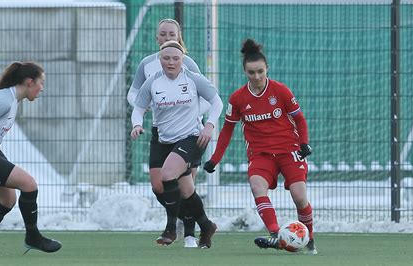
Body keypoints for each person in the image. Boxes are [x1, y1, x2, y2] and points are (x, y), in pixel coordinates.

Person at [203, 39, 317, 255]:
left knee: (299, 196)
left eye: (260, 72)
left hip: (289, 150)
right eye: (251, 73)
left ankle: (309, 238)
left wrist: (304, 143)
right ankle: (275, 234)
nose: (256, 77)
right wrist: (215, 159)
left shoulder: (281, 91)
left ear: (267, 69)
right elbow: (227, 130)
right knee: (257, 185)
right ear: (244, 71)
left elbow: (299, 119)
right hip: (261, 154)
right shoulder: (237, 98)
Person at [131, 40, 222, 249]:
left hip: (191, 138)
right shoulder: (153, 81)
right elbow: (138, 107)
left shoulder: (193, 79)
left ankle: (171, 228)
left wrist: (209, 126)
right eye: (166, 58)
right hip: (164, 141)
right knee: (186, 190)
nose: (171, 62)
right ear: (159, 59)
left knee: (167, 174)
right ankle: (206, 225)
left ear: (183, 59)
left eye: (175, 58)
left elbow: (216, 102)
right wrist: (137, 124)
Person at [0, 62, 62, 256]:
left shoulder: (12, 98)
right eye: (41, 83)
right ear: (29, 82)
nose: (42, 88)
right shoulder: (3, 99)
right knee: (29, 184)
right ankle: (33, 237)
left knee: (7, 199)